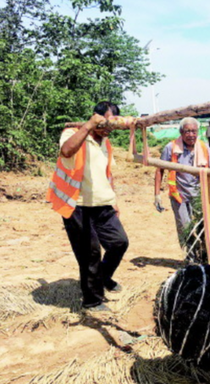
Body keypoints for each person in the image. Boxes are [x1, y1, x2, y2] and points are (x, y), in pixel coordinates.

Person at [46, 101, 130, 312]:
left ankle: (102, 277)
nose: (109, 129)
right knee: (89, 253)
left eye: (112, 125)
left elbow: (107, 174)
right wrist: (89, 125)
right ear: (95, 117)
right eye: (105, 123)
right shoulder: (72, 133)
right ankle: (92, 300)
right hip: (77, 205)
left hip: (102, 204)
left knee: (119, 243)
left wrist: (114, 200)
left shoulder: (106, 143)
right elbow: (66, 151)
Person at [154, 117, 210, 250]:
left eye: (194, 131)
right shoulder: (171, 148)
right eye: (187, 131)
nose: (191, 135)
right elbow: (159, 170)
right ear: (181, 132)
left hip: (200, 196)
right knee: (185, 228)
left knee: (203, 227)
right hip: (179, 195)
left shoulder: (204, 147)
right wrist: (157, 195)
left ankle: (203, 256)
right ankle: (189, 258)